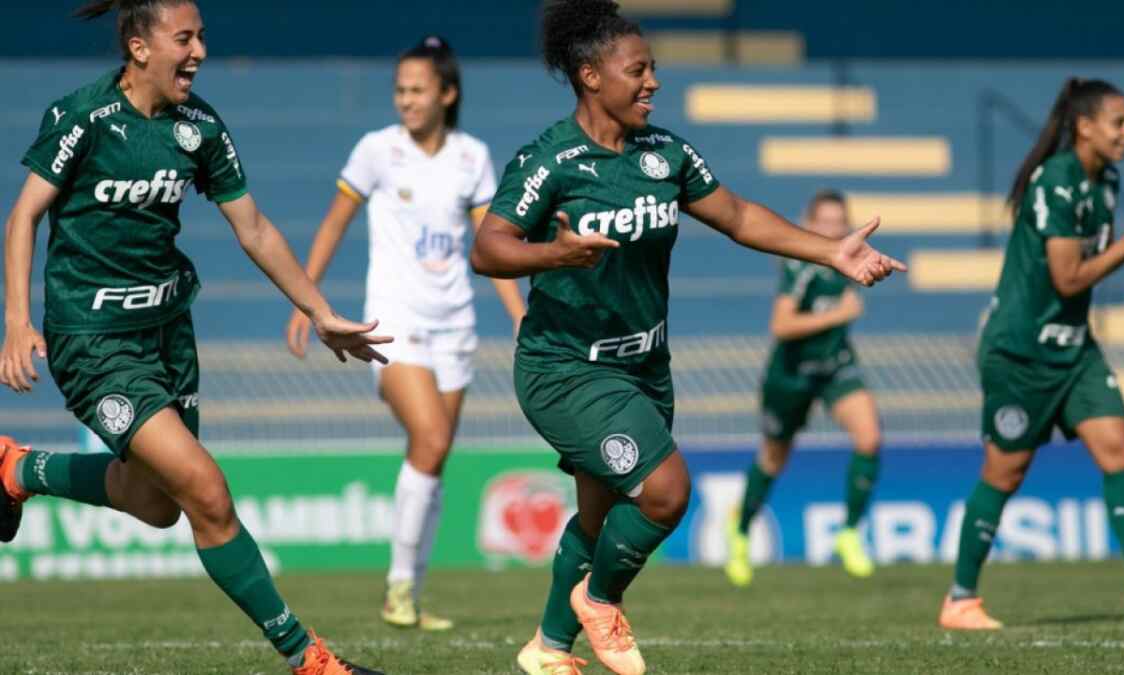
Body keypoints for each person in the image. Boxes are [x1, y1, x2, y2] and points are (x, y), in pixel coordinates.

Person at [470, 2, 905, 673]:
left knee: (597, 520)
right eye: (637, 70)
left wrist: (830, 252)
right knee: (667, 492)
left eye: (654, 69)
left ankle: (548, 648)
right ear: (590, 75)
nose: (653, 82)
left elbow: (737, 215)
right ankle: (600, 599)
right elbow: (489, 247)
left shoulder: (665, 153)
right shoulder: (549, 160)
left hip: (645, 367)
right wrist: (557, 255)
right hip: (566, 368)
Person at [0, 2, 388, 673]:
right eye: (185, 37)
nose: (201, 51)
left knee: (154, 503)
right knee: (207, 492)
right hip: (93, 342)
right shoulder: (82, 118)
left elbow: (256, 228)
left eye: (202, 36)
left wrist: (320, 309)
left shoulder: (200, 126)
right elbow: (25, 214)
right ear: (139, 46)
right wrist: (16, 319)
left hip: (168, 336)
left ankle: (15, 468)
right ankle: (310, 658)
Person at [938, 77, 1124, 630]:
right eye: (1118, 122)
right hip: (1021, 354)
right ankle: (960, 600)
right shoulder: (1056, 180)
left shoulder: (1105, 182)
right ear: (1085, 126)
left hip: (1075, 351)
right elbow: (1068, 276)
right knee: (1005, 473)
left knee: (1119, 448)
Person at [285, 35, 525, 631]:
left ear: (447, 93)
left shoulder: (473, 156)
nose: (406, 101)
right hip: (395, 324)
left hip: (456, 327)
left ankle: (412, 595)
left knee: (433, 456)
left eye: (417, 90)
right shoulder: (376, 151)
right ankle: (396, 587)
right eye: (399, 90)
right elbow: (333, 223)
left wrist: (520, 315)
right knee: (433, 439)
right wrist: (306, 301)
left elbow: (490, 246)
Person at [724, 189, 882, 587]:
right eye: (824, 222)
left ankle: (848, 533)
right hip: (791, 375)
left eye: (838, 222)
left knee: (870, 438)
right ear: (810, 225)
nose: (832, 228)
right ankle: (740, 532)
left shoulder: (850, 260)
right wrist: (840, 315)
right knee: (774, 459)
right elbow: (781, 326)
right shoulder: (801, 267)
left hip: (835, 368)